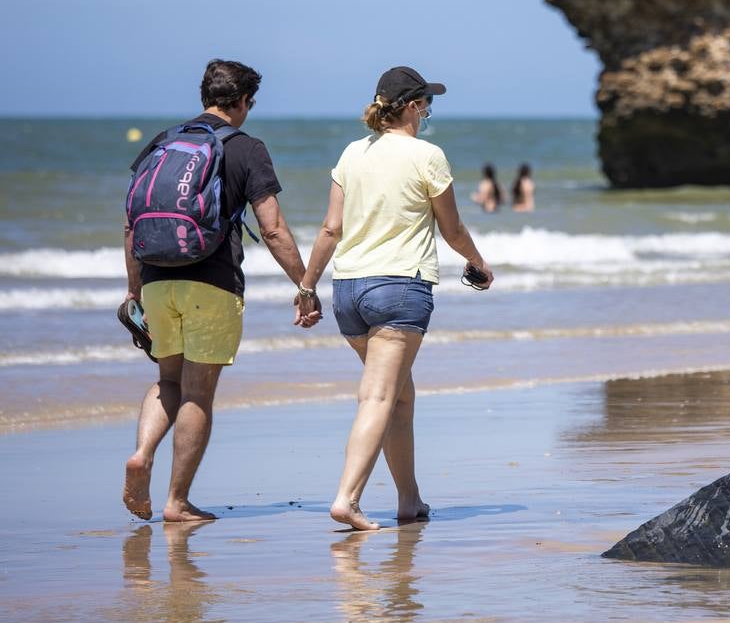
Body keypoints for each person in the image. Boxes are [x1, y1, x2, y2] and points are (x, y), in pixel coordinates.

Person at [297, 66, 494, 531]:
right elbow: (453, 229)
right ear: (411, 107)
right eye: (427, 104)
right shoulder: (428, 156)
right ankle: (347, 499)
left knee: (399, 396)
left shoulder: (352, 153)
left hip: (348, 290)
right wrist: (479, 263)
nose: (428, 112)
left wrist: (307, 286)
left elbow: (331, 228)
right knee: (380, 395)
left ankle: (409, 499)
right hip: (400, 289)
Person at [122, 59, 314, 522]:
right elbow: (272, 229)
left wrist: (135, 291)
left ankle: (142, 453)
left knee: (168, 380)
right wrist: (304, 285)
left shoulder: (163, 143)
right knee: (198, 393)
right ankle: (176, 501)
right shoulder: (246, 148)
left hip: (156, 281)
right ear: (244, 101)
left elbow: (131, 223)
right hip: (212, 283)